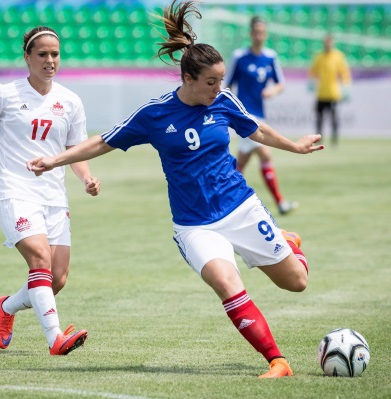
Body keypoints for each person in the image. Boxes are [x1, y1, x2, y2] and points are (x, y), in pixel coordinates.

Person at [28, 0, 324, 378]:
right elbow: (103, 141)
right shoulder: (155, 114)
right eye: (211, 82)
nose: (219, 88)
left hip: (241, 208)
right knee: (224, 281)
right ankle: (277, 361)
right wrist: (56, 160)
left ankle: (287, 241)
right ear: (187, 80)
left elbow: (257, 129)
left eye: (221, 80)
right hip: (194, 224)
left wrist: (296, 146)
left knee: (297, 282)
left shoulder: (225, 101)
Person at [0, 26, 100, 356]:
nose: (50, 60)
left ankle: (7, 306)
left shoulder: (70, 100)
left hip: (54, 196)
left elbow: (75, 149)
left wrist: (86, 178)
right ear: (27, 58)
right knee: (40, 260)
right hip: (14, 191)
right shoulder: (6, 93)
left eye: (55, 54)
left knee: (57, 278)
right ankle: (54, 339)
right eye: (42, 54)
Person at [224, 17, 297, 215]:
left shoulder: (270, 57)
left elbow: (280, 83)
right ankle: (280, 203)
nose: (258, 36)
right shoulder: (239, 57)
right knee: (265, 153)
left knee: (241, 163)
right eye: (255, 32)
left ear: (265, 34)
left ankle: (226, 200)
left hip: (260, 114)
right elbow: (227, 84)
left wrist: (273, 91)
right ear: (250, 34)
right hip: (244, 115)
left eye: (262, 32)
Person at [309, 34, 352, 146]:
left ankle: (334, 139)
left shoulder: (338, 56)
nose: (327, 44)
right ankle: (318, 139)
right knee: (319, 119)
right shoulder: (319, 56)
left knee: (333, 118)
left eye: (329, 42)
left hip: (333, 94)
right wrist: (311, 82)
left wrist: (346, 87)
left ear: (332, 43)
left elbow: (344, 73)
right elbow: (313, 71)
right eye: (325, 42)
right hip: (321, 93)